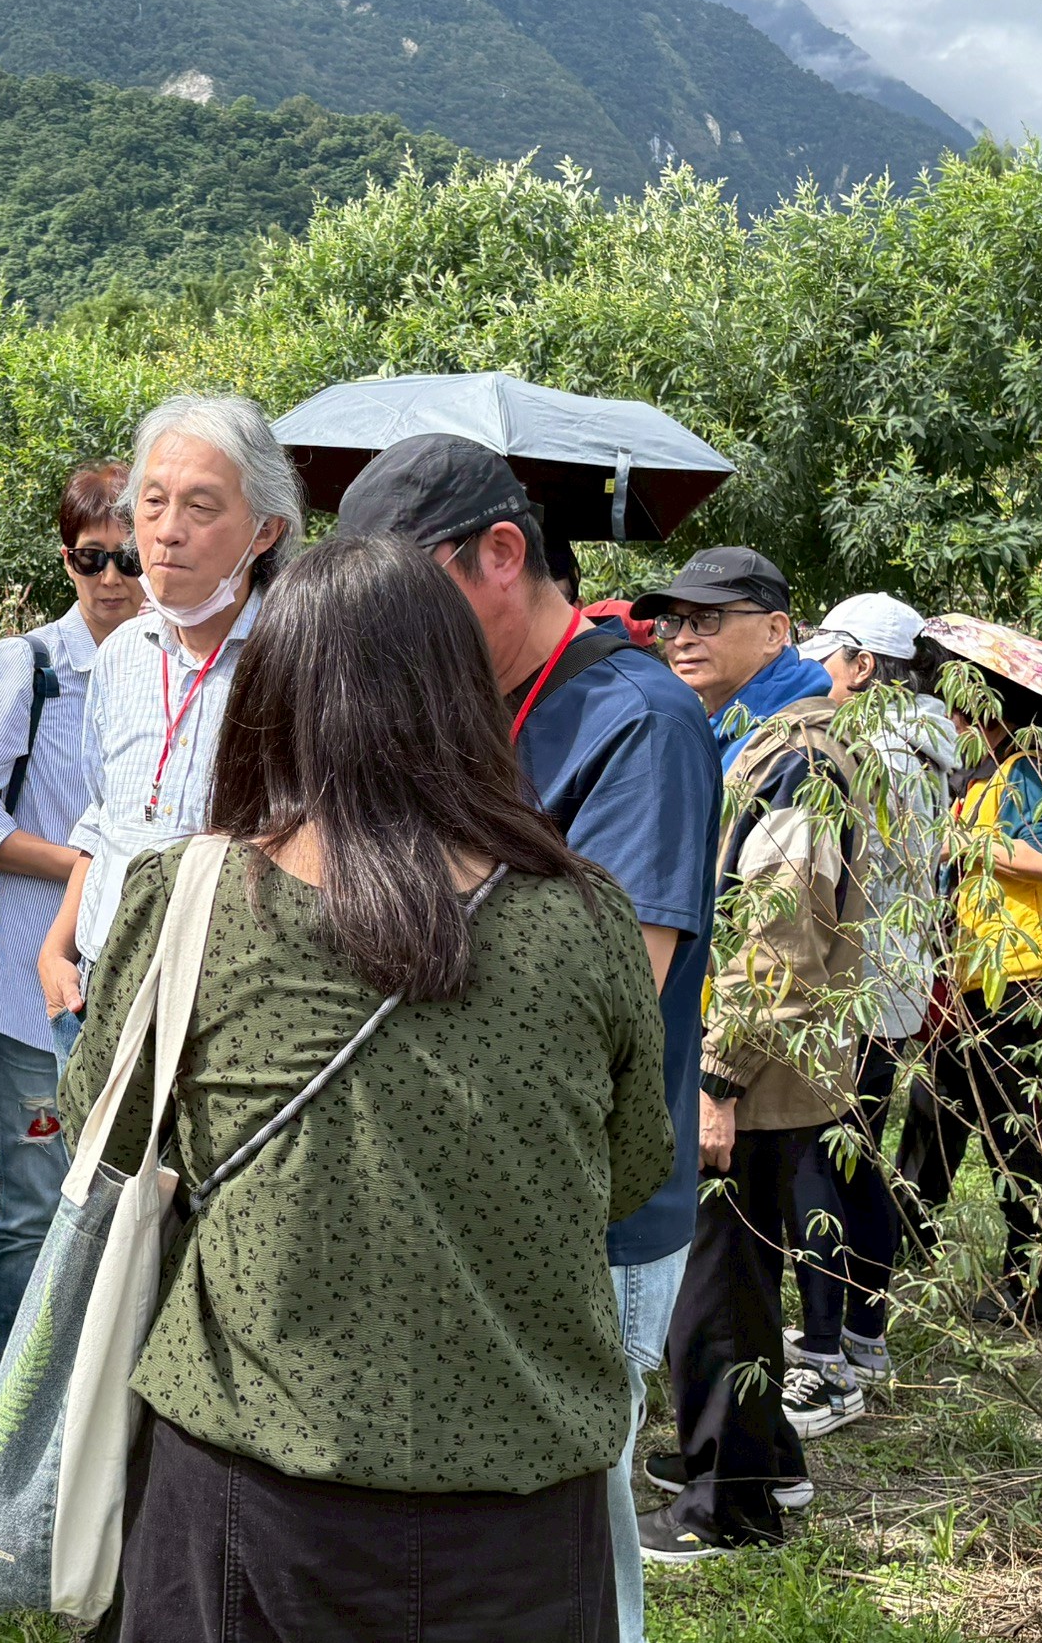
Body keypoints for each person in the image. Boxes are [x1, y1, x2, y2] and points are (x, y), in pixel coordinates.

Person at [62, 537, 670, 1642]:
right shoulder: (586, 919)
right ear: (463, 698)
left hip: (250, 1488)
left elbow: (108, 1144)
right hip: (525, 1506)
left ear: (274, 698)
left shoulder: (190, 899)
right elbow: (628, 1172)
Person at [335, 434, 719, 1643]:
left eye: (411, 607)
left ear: (503, 555)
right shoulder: (472, 706)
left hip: (584, 1203)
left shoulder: (637, 722)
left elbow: (609, 986)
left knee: (571, 1514)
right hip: (456, 1179)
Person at [633, 547, 866, 1564]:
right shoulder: (752, 735)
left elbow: (779, 941)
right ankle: (768, 1461)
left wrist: (717, 1081)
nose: (683, 635)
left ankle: (728, 1507)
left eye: (709, 617)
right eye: (673, 618)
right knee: (742, 1280)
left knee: (716, 1291)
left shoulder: (795, 756)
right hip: (756, 1065)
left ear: (777, 629)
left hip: (752, 1075)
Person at [0, 463, 144, 1355]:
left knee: (127, 1198)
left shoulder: (175, 671)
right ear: (67, 562)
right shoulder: (33, 666)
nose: (115, 580)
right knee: (34, 1202)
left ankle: (95, 1403)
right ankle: (19, 1414)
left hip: (137, 983)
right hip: (24, 990)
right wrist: (86, 868)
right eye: (95, 560)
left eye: (130, 558)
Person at [36, 395, 303, 1048]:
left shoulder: (301, 661)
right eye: (152, 503)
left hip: (226, 1015)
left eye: (201, 507)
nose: (167, 530)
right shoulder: (124, 652)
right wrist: (57, 946)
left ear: (265, 530)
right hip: (95, 999)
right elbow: (104, 816)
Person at [782, 593, 959, 1389]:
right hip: (891, 988)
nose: (813, 664)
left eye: (829, 650)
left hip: (849, 989)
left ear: (865, 666)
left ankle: (827, 1354)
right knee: (857, 1161)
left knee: (823, 1163)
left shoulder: (865, 752)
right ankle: (862, 1335)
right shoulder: (929, 748)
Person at [895, 705, 1042, 1327]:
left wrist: (964, 842)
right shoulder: (982, 779)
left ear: (988, 716)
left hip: (1027, 970)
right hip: (979, 973)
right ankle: (902, 1244)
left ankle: (1041, 1282)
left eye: (954, 710)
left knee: (1011, 1124)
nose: (945, 722)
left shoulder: (1028, 769)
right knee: (940, 1102)